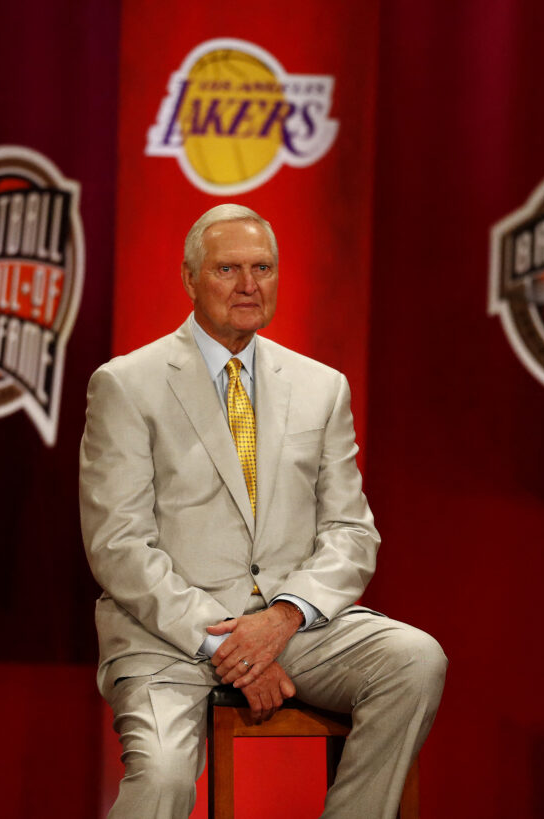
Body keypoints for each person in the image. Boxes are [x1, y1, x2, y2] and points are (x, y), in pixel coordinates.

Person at [79, 203, 447, 818]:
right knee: (165, 778)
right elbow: (119, 546)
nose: (250, 285)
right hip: (166, 635)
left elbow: (351, 533)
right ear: (190, 278)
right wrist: (229, 647)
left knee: (414, 660)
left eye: (263, 268)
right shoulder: (126, 384)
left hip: (290, 629)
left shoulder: (321, 386)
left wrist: (281, 619)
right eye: (228, 269)